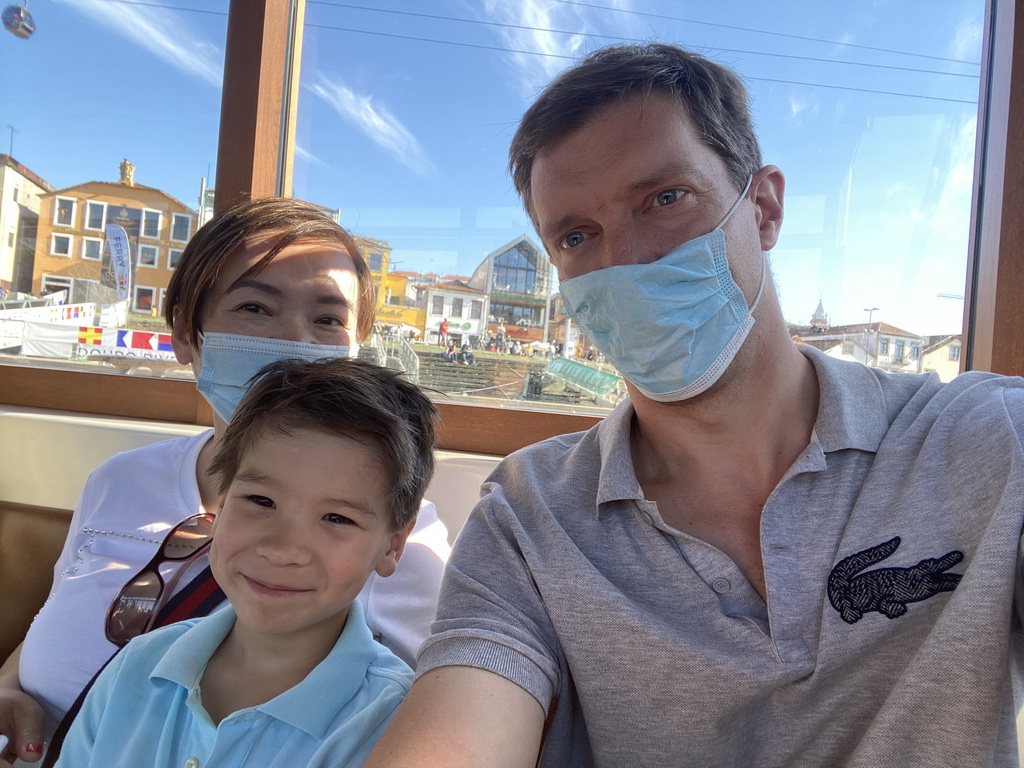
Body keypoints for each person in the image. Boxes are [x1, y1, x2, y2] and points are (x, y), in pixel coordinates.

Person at [367, 43, 1024, 767]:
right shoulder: (532, 514)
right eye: (577, 235)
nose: (625, 259)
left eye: (665, 199)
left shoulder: (987, 442)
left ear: (765, 209)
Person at [0, 198, 450, 766]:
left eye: (329, 319)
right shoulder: (119, 479)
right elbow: (62, 611)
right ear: (188, 332)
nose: (297, 344)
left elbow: (424, 719)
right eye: (257, 308)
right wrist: (12, 684)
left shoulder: (398, 535)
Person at [54, 356, 439, 767]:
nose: (282, 549)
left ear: (392, 546)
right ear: (221, 501)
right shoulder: (138, 666)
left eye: (337, 519)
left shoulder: (396, 728)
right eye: (261, 501)